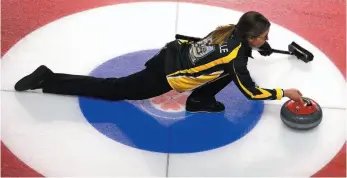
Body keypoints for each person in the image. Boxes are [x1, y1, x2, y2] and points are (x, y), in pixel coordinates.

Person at [14, 11, 304, 113]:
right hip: (165, 73)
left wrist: (259, 47)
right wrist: (284, 93)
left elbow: (226, 55)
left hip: (170, 53)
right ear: (250, 37)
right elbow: (251, 93)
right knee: (115, 89)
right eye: (264, 36)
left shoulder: (230, 30)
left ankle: (200, 101)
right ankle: (48, 78)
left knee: (226, 71)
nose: (267, 37)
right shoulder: (235, 57)